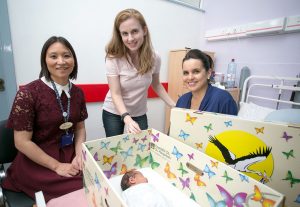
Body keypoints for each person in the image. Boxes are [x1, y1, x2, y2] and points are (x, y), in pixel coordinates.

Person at [1, 36, 88, 202]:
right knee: (82, 188)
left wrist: (79, 155)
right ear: (45, 60)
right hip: (38, 162)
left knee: (96, 178)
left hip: (70, 155)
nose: (61, 61)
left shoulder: (77, 93)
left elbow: (79, 128)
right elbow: (21, 142)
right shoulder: (28, 94)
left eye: (67, 55)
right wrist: (56, 166)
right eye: (53, 56)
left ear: (74, 60)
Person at [102, 8, 175, 137]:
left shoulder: (154, 58)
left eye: (134, 31)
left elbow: (156, 85)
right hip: (113, 111)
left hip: (139, 112)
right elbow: (116, 93)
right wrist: (127, 118)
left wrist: (174, 105)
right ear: (120, 35)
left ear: (144, 30)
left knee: (141, 148)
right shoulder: (113, 57)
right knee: (115, 150)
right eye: (125, 33)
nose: (130, 38)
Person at [176, 49, 238, 115]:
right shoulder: (182, 101)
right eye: (186, 73)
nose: (190, 77)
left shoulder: (223, 100)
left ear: (208, 73)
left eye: (196, 71)